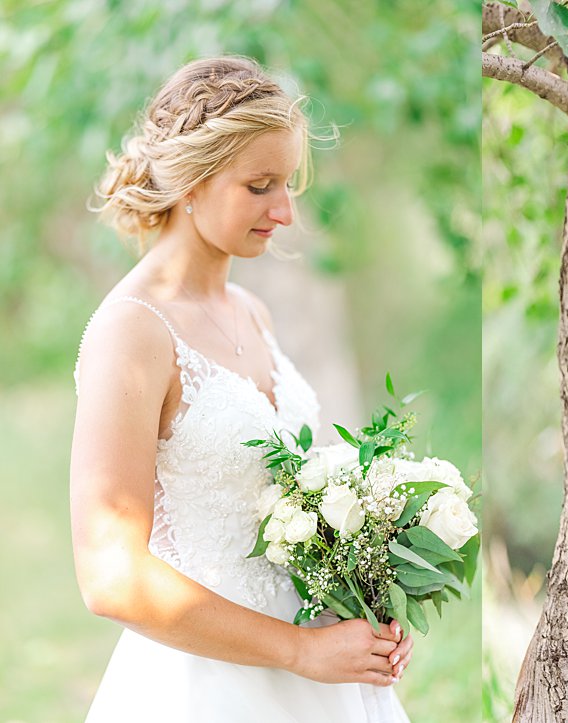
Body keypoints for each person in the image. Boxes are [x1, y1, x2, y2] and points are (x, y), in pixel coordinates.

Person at [70, 56, 411, 722]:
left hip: (317, 680)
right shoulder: (131, 331)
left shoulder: (252, 311)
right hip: (206, 685)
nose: (284, 211)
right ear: (192, 182)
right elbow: (108, 573)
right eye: (260, 186)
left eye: (286, 185)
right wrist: (297, 650)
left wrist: (363, 609)